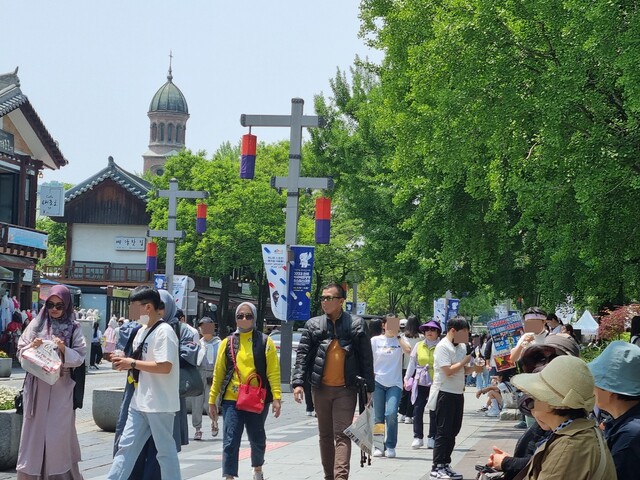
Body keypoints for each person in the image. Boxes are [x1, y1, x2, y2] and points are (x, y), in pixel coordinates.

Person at [292, 282, 375, 480]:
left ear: (340, 301)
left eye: (329, 298)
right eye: (322, 298)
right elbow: (302, 355)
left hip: (346, 390)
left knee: (342, 434)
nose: (324, 302)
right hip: (320, 389)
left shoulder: (356, 324)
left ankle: (340, 477)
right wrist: (297, 383)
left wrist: (369, 388)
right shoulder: (313, 324)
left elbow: (366, 358)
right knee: (325, 436)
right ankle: (329, 476)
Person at [108, 286, 181, 480]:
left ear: (148, 307)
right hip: (140, 401)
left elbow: (165, 366)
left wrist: (131, 362)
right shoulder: (141, 331)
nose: (132, 314)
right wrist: (124, 360)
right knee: (125, 448)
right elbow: (141, 362)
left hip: (160, 403)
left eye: (134, 308)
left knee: (165, 453)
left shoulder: (165, 332)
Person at [486, 333, 581, 480]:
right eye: (541, 359)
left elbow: (548, 462)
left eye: (554, 360)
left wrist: (508, 463)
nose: (545, 366)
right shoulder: (553, 421)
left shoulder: (572, 435)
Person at [16, 285, 87, 480]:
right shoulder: (37, 324)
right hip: (37, 386)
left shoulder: (74, 327)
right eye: (50, 304)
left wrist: (63, 349)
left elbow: (80, 356)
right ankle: (31, 474)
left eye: (59, 305)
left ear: (67, 306)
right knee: (34, 433)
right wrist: (33, 346)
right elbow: (21, 349)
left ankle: (59, 474)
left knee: (58, 432)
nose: (54, 309)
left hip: (61, 387)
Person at [509, 355, 616, 479]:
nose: (532, 410)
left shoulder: (569, 446)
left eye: (531, 401)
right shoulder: (581, 432)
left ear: (550, 404)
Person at [208, 302, 281, 480]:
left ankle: (257, 468)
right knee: (230, 440)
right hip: (231, 399)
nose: (244, 319)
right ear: (235, 319)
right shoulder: (227, 342)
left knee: (257, 438)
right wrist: (212, 399)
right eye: (240, 316)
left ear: (254, 318)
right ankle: (229, 476)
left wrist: (277, 397)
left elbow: (273, 371)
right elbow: (218, 372)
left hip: (256, 398)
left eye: (248, 316)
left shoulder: (265, 341)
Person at [428, 316, 474, 480]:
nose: (465, 337)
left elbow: (464, 370)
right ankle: (437, 466)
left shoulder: (461, 346)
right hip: (444, 393)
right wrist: (464, 362)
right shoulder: (442, 347)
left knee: (454, 430)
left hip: (457, 393)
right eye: (463, 333)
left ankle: (446, 464)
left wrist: (477, 367)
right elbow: (447, 371)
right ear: (452, 330)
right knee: (443, 431)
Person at [588, 340, 640, 480]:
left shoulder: (630, 435)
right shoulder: (624, 424)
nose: (592, 389)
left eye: (596, 383)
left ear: (609, 389)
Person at [370, 314, 412, 458]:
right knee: (378, 416)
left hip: (395, 383)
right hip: (378, 382)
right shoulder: (375, 341)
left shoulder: (400, 340)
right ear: (383, 325)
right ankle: (378, 445)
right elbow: (369, 360)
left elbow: (409, 351)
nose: (392, 327)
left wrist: (398, 337)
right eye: (389, 324)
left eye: (395, 324)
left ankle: (391, 445)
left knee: (392, 413)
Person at [405, 319, 441, 449]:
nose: (429, 332)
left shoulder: (441, 346)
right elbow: (412, 363)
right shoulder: (419, 345)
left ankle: (432, 436)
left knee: (434, 410)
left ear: (438, 332)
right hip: (420, 380)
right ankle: (417, 437)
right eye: (427, 330)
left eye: (433, 330)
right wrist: (407, 377)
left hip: (436, 382)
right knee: (418, 408)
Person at [192, 316, 221, 440]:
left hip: (214, 373)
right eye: (202, 326)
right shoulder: (198, 343)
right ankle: (197, 429)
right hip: (199, 373)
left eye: (208, 326)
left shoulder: (219, 343)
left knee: (212, 401)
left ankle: (214, 422)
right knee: (196, 401)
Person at [398, 314, 422, 424]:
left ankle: (401, 413)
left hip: (404, 367)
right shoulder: (421, 337)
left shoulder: (402, 337)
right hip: (417, 368)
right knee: (413, 392)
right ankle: (409, 415)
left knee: (404, 391)